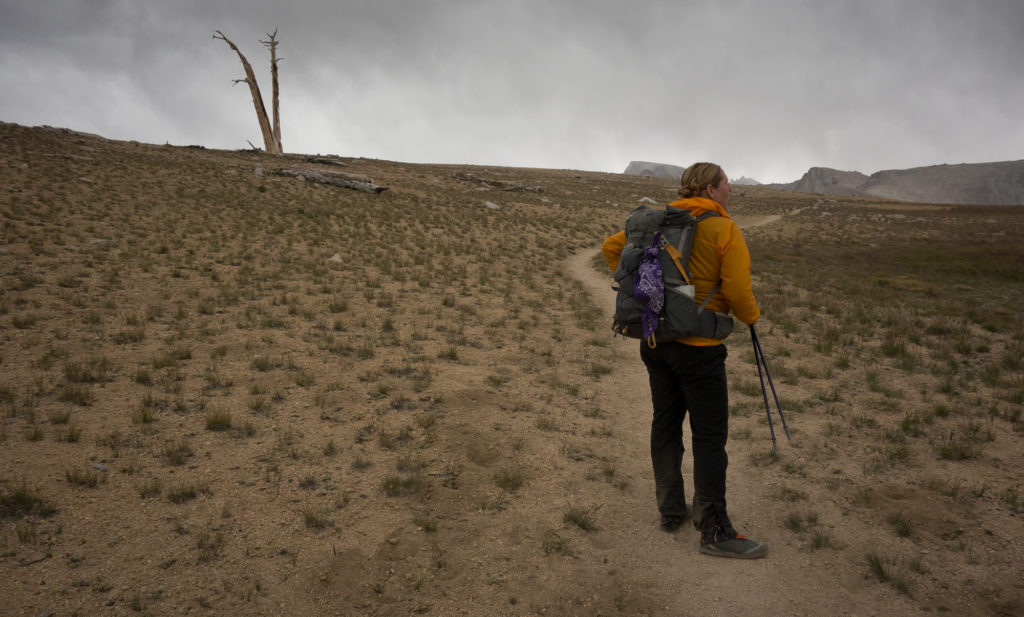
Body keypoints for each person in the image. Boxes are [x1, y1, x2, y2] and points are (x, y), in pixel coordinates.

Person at [601, 162, 766, 559]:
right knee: (709, 436)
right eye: (727, 184)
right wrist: (751, 318)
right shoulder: (723, 229)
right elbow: (739, 290)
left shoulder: (659, 222)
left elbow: (611, 247)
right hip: (700, 350)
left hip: (656, 341)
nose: (731, 191)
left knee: (665, 421)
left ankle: (672, 510)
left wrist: (648, 295)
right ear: (710, 189)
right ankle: (713, 529)